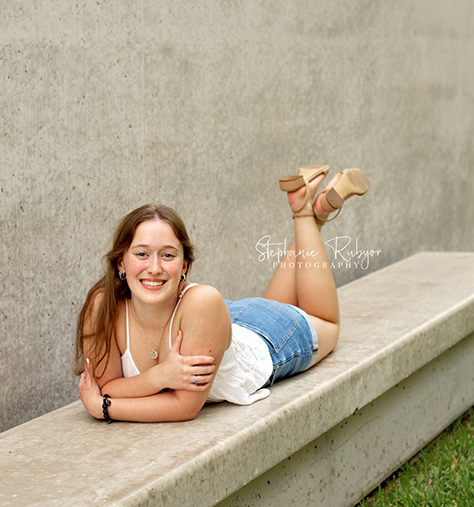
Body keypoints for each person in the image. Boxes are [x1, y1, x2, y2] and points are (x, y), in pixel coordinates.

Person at [75, 166, 370, 422]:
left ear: (184, 267)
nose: (154, 268)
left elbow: (184, 407)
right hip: (212, 327)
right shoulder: (103, 305)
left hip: (268, 339)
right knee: (275, 303)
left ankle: (304, 212)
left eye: (167, 255)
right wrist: (161, 376)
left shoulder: (203, 301)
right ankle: (313, 211)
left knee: (326, 322)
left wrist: (104, 409)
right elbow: (108, 387)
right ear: (120, 262)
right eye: (141, 254)